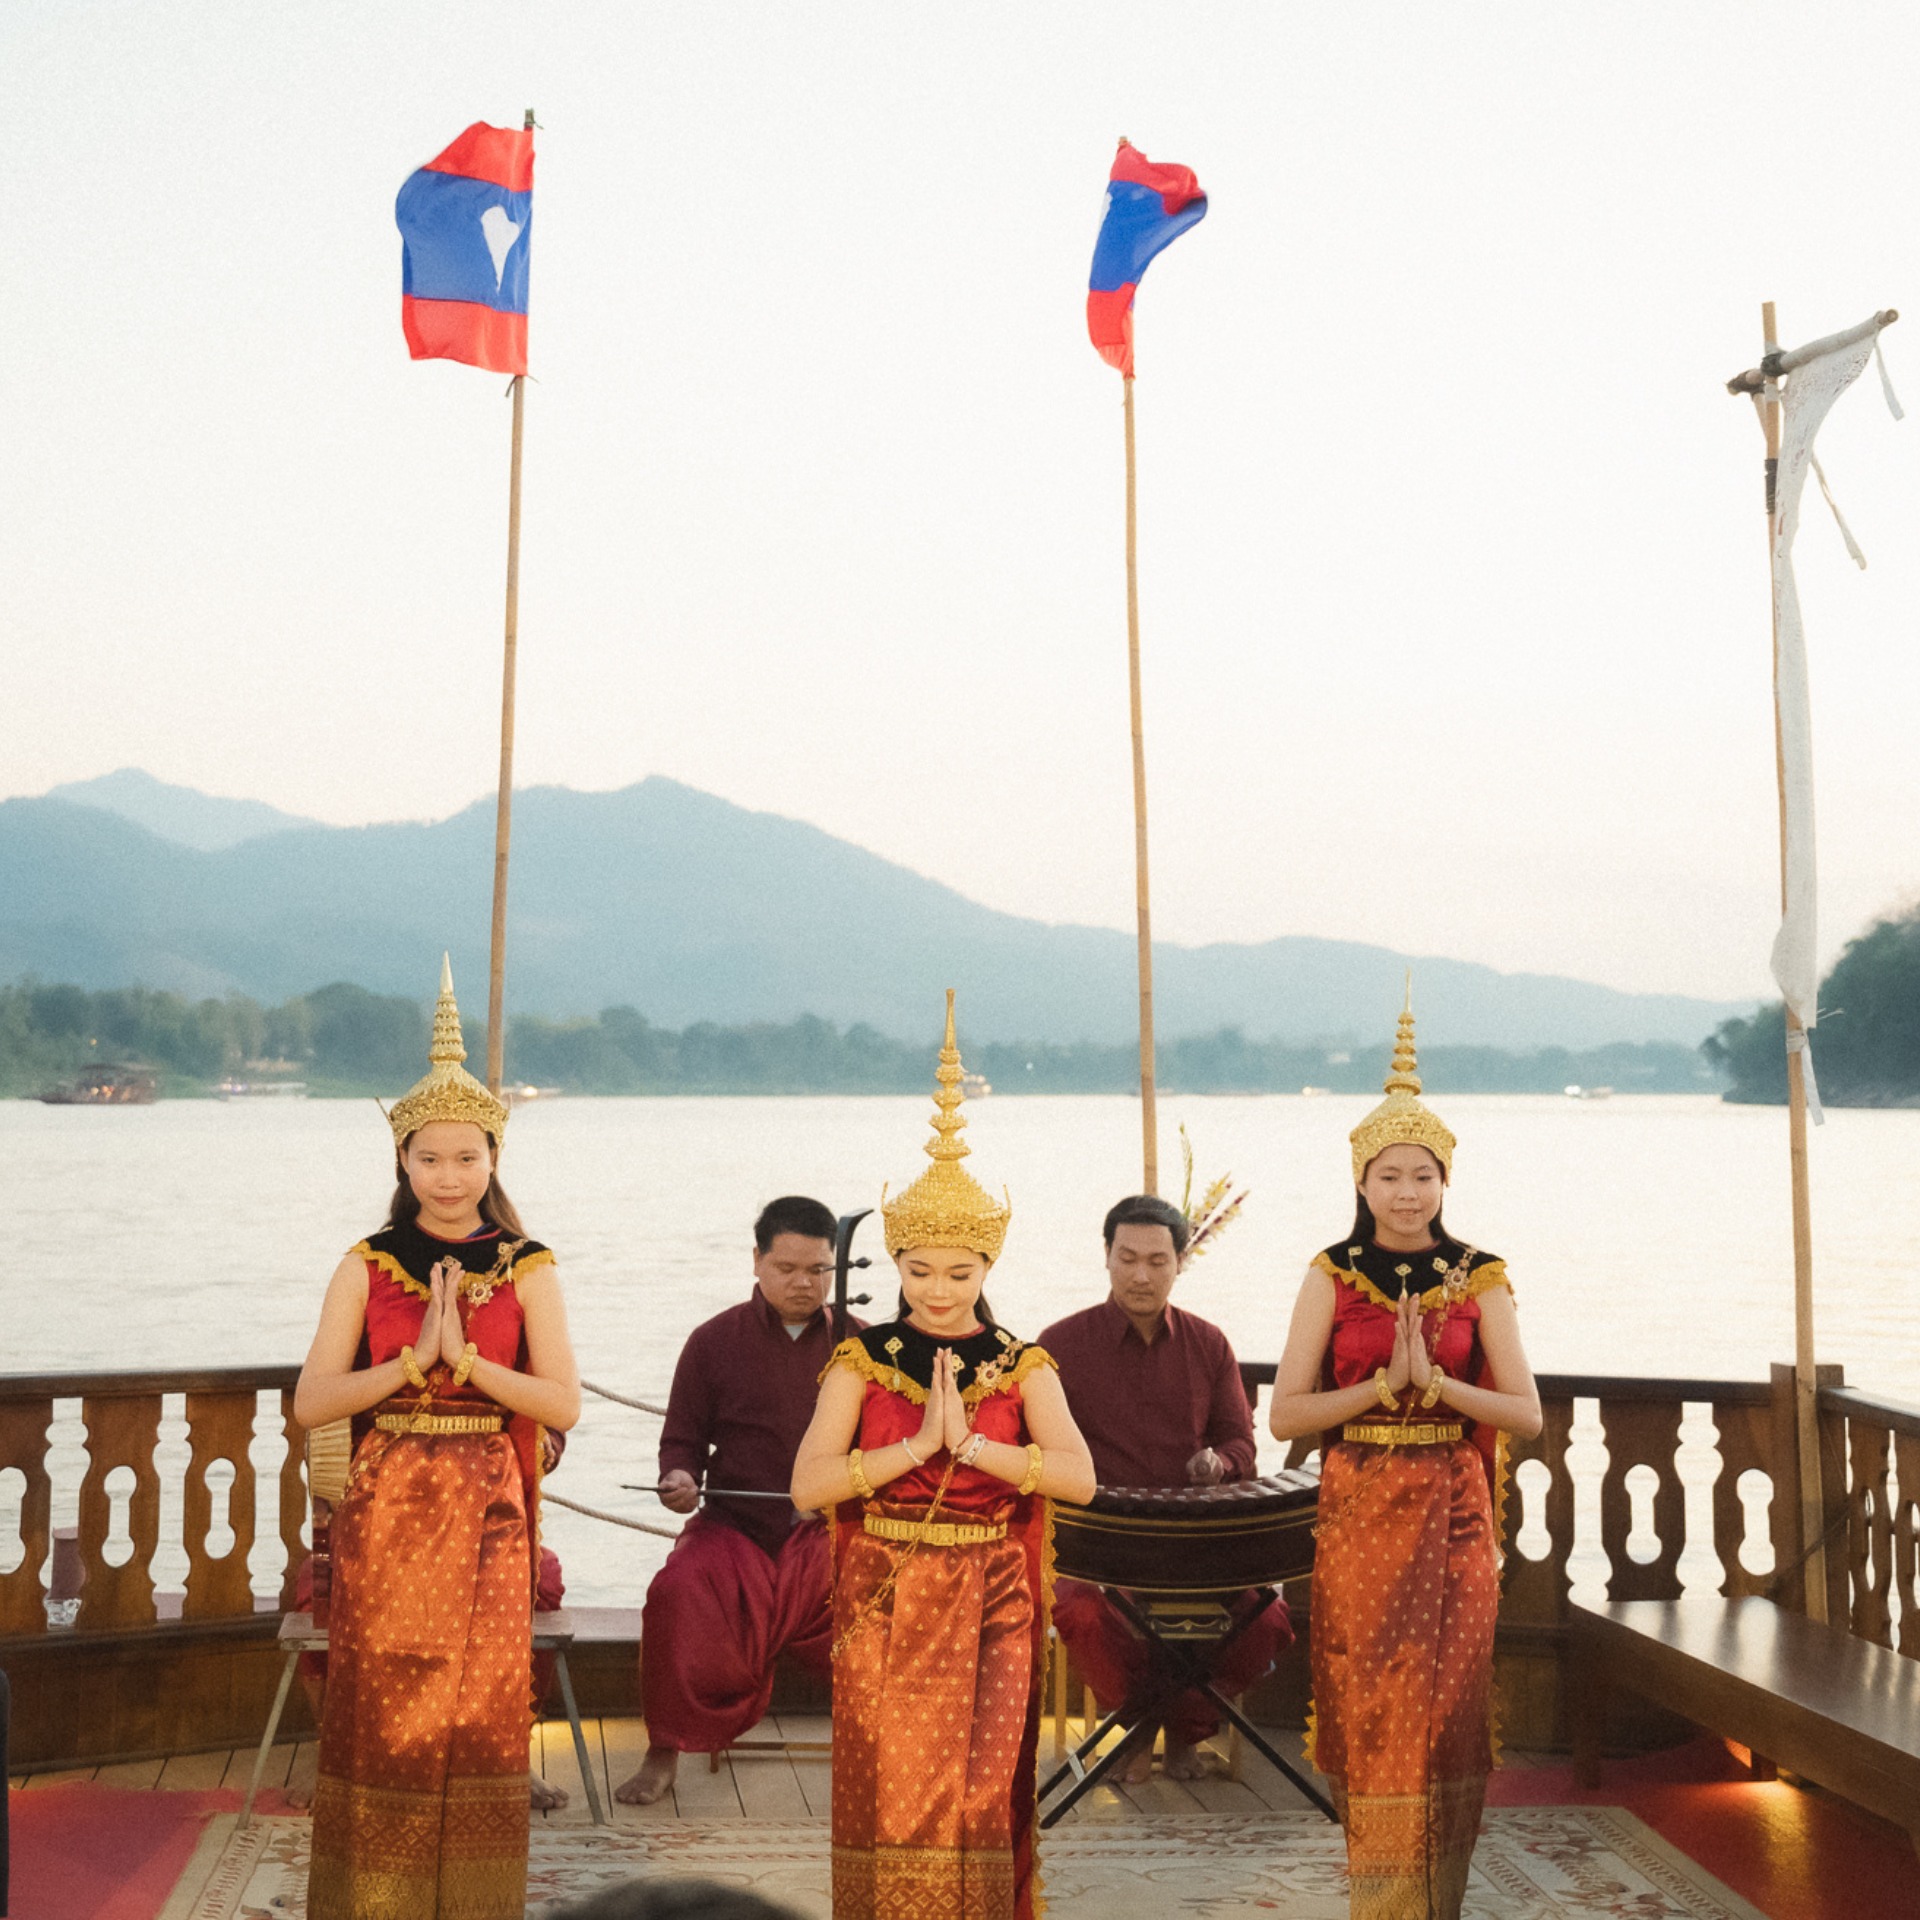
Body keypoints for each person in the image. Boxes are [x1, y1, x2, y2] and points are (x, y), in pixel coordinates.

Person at [791, 994, 1095, 1920]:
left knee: (975, 1792)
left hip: (994, 1590)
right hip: (885, 1585)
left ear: (988, 1270)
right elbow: (809, 1489)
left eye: (960, 1275)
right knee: (897, 1789)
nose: (937, 1291)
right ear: (896, 1263)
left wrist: (976, 1450)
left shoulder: (1021, 1361)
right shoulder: (862, 1358)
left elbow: (1080, 1479)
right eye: (919, 1271)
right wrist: (917, 1447)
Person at [294, 958, 581, 1920]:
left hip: (490, 1500)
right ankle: (374, 1898)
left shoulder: (527, 1265)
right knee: (387, 1701)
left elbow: (564, 1403)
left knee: (481, 1703)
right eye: (430, 1159)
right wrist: (412, 1364)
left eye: (468, 1158)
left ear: (494, 1158)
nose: (450, 1177)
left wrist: (471, 1364)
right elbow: (313, 1399)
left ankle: (474, 1901)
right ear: (403, 1163)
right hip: (390, 1501)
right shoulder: (367, 1263)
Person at [1268, 996, 1540, 1920]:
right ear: (1362, 1181)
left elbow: (1527, 1413)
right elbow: (1286, 1415)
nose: (1407, 1192)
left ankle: (1440, 1904)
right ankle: (1380, 1899)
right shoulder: (1331, 1273)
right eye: (1389, 1175)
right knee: (1372, 1699)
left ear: (1445, 1179)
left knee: (1450, 1707)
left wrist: (1441, 1387)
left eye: (1422, 1175)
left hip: (1454, 1505)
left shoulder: (1480, 1274)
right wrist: (1381, 1388)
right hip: (1360, 1502)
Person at [1039, 1194, 1292, 1782]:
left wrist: (1217, 1464)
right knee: (1079, 1610)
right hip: (1096, 1538)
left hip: (1192, 1543)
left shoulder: (1208, 1344)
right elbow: (1036, 1449)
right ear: (1106, 1256)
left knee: (1269, 1617)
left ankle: (1178, 1724)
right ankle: (1146, 1726)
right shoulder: (1059, 1345)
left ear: (1181, 1262)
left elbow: (1241, 1447)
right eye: (1127, 1258)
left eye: (1158, 1261)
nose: (1141, 1275)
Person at [616, 1194, 859, 1807]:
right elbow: (682, 1441)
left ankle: (885, 1744)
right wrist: (678, 1481)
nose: (805, 1284)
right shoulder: (712, 1341)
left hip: (827, 1529)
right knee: (675, 1592)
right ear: (756, 1260)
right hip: (734, 1524)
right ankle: (664, 1747)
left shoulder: (864, 1345)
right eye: (788, 1269)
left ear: (838, 1268)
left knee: (889, 1595)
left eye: (819, 1271)